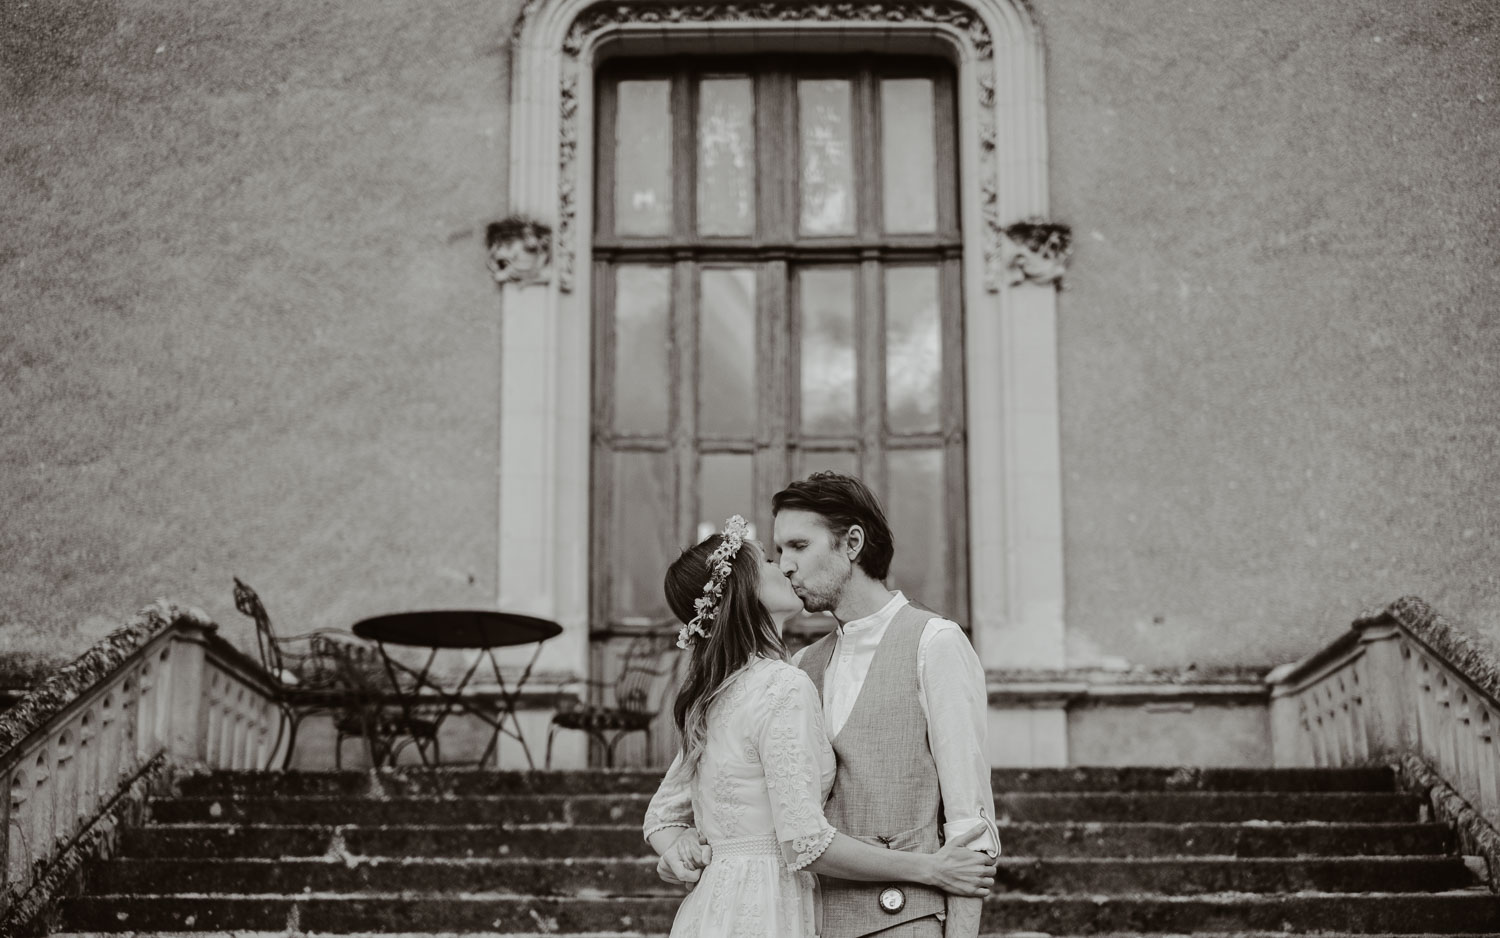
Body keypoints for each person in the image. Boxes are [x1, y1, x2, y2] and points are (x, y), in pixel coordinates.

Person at [643, 515, 996, 938]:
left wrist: (677, 847)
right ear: (745, 587)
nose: (785, 567)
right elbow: (804, 842)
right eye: (770, 560)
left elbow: (660, 818)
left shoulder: (716, 693)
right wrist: (932, 869)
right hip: (771, 909)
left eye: (795, 549)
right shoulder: (788, 680)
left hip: (715, 910)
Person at [774, 472, 999, 938]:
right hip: (812, 921)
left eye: (798, 546)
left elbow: (969, 822)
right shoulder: (802, 664)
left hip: (905, 920)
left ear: (852, 542)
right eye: (779, 552)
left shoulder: (934, 642)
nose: (785, 566)